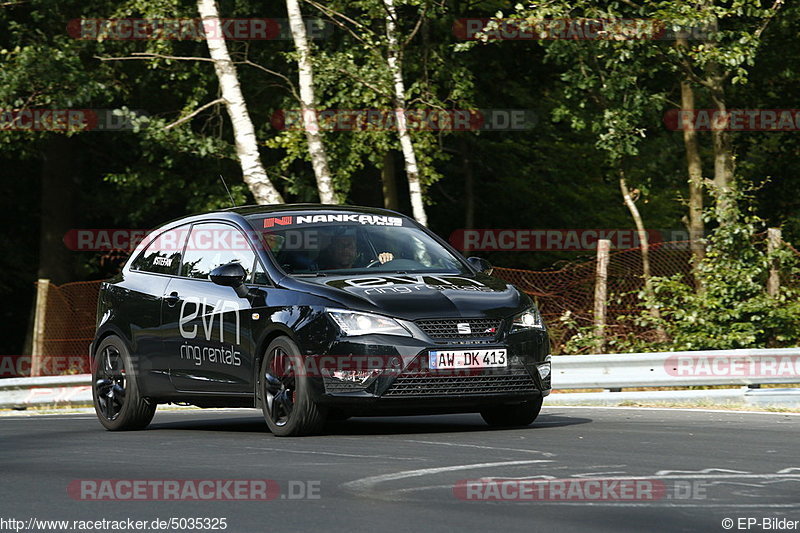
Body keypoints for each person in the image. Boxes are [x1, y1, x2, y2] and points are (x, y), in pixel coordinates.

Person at [317, 233, 393, 270]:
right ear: (331, 250)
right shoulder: (318, 274)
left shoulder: (366, 270)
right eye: (340, 246)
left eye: (349, 246)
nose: (345, 249)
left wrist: (386, 260)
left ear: (356, 251)